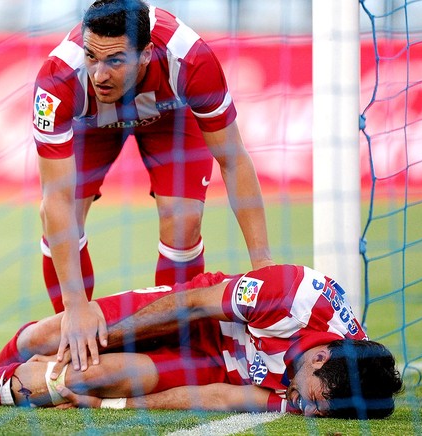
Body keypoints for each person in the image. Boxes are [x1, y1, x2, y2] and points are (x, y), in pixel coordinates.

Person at [33, 0, 275, 371]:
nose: (99, 74)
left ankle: (174, 344)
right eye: (92, 57)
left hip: (170, 115)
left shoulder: (191, 61)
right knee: (63, 218)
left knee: (183, 220)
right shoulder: (57, 81)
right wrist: (76, 307)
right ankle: (76, 340)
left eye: (115, 60)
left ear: (146, 54)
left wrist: (263, 267)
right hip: (89, 122)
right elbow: (57, 199)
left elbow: (234, 160)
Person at [0, 265, 403, 418]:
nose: (305, 408)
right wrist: (99, 336)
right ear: (319, 355)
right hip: (199, 316)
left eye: (316, 410)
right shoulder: (295, 296)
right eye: (313, 398)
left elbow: (222, 396)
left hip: (214, 367)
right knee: (51, 336)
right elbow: (195, 303)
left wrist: (105, 405)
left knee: (83, 378)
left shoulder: (337, 387)